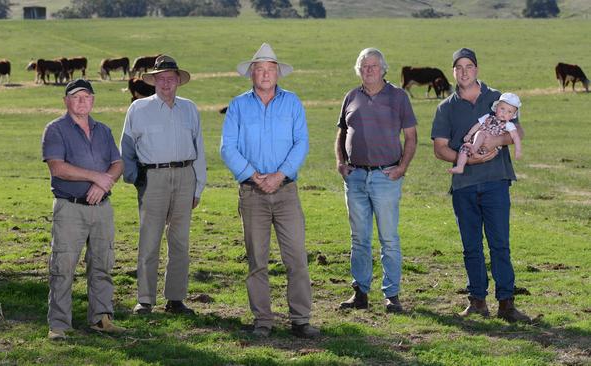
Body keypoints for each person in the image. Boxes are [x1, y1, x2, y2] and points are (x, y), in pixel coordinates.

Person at [220, 43, 320, 338]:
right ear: (252, 73)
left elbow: (301, 143)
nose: (265, 74)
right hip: (252, 193)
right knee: (257, 261)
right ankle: (262, 320)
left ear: (278, 74)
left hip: (286, 191)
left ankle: (301, 319)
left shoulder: (292, 103)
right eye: (259, 69)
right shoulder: (238, 105)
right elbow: (227, 147)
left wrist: (279, 175)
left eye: (270, 69)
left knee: (297, 259)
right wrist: (254, 175)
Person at [431, 48, 531, 323]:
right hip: (463, 186)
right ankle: (477, 301)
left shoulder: (497, 99)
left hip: (496, 182)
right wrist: (470, 161)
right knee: (471, 245)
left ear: (476, 69)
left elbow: (517, 133)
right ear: (453, 71)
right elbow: (440, 149)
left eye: (469, 66)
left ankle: (507, 303)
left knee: (500, 243)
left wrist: (495, 142)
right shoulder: (446, 107)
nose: (464, 71)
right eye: (458, 67)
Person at [120, 55, 206, 316]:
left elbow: (199, 149)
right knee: (149, 239)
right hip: (153, 179)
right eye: (161, 78)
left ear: (178, 81)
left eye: (171, 78)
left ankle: (176, 299)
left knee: (180, 241)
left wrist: (197, 186)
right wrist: (137, 180)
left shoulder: (190, 108)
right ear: (153, 80)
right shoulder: (138, 109)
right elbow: (126, 149)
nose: (166, 83)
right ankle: (145, 300)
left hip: (184, 177)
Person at [41, 79, 126, 340]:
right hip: (70, 208)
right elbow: (58, 167)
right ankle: (59, 325)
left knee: (102, 263)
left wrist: (103, 184)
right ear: (66, 101)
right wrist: (95, 177)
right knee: (63, 264)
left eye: (87, 96)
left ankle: (101, 318)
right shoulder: (55, 129)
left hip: (101, 208)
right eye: (76, 97)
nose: (82, 101)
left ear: (93, 100)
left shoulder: (103, 130)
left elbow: (118, 163)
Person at [335, 48, 418, 313]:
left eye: (373, 66)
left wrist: (402, 168)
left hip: (386, 176)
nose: (368, 70)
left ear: (383, 69)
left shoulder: (398, 97)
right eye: (364, 66)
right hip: (355, 177)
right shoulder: (351, 96)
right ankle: (360, 293)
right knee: (359, 238)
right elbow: (341, 133)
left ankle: (391, 295)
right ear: (358, 70)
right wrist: (341, 162)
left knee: (389, 238)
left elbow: (411, 137)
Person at [449, 92, 522, 174]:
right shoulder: (487, 116)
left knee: (481, 133)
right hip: (474, 142)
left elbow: (516, 137)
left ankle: (474, 149)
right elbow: (477, 125)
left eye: (509, 112)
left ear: (513, 116)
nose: (504, 113)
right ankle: (460, 166)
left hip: (489, 148)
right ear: (496, 107)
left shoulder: (509, 125)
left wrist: (518, 150)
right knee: (463, 149)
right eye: (502, 109)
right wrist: (469, 134)